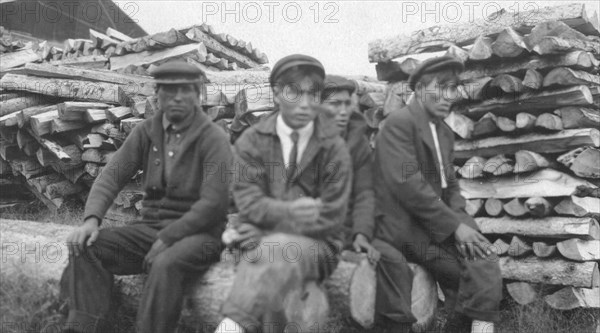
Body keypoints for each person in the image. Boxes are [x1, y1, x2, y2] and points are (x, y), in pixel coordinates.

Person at [59, 61, 233, 333]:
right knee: (87, 246)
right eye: (168, 90)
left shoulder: (214, 138)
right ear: (157, 94)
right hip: (150, 230)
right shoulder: (147, 131)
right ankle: (84, 327)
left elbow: (213, 204)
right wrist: (91, 220)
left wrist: (169, 238)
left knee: (165, 264)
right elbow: (111, 177)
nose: (176, 97)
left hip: (201, 235)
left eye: (185, 90)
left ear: (198, 94)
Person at [215, 54, 352, 333]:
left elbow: (332, 215)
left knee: (275, 249)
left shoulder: (333, 147)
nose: (304, 103)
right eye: (293, 92)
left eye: (313, 94)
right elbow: (248, 202)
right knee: (300, 301)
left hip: (320, 247)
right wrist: (292, 211)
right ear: (276, 93)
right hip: (263, 245)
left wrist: (269, 225)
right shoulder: (253, 141)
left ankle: (231, 325)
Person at [373, 56, 502, 333]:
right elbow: (410, 188)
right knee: (459, 272)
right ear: (419, 89)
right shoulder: (397, 125)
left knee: (484, 255)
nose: (449, 95)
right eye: (441, 86)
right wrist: (455, 228)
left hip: (434, 221)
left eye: (453, 88)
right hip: (400, 224)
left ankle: (479, 326)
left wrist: (465, 224)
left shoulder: (442, 131)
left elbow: (450, 186)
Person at [321, 75, 416, 332]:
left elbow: (365, 193)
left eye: (346, 103)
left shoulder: (357, 141)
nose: (343, 111)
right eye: (334, 104)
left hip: (353, 227)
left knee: (394, 262)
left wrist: (361, 234)